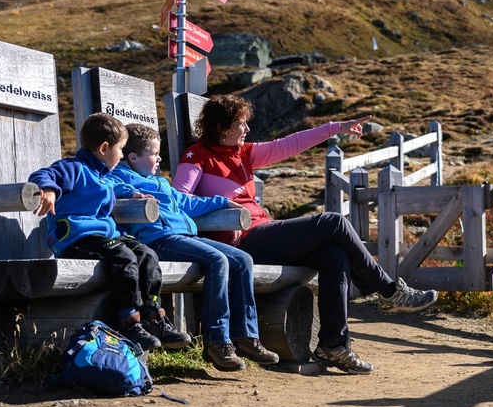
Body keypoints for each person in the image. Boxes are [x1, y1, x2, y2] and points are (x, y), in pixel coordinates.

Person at [172, 94, 438, 375]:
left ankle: (333, 345)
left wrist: (334, 127)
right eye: (242, 124)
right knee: (334, 223)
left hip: (262, 233)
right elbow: (179, 200)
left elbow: (290, 144)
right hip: (242, 243)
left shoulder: (243, 152)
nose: (247, 129)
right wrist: (220, 203)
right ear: (223, 128)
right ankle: (388, 290)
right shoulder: (197, 155)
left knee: (334, 255)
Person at [109, 123, 279, 371]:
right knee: (217, 260)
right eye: (154, 154)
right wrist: (133, 195)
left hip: (185, 236)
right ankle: (217, 341)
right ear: (133, 157)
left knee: (242, 260)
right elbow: (111, 187)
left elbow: (187, 202)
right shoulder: (120, 177)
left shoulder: (161, 183)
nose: (159, 158)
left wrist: (224, 202)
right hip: (161, 241)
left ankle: (246, 335)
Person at [28, 112, 191, 352]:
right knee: (124, 257)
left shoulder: (103, 176)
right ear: (104, 148)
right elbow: (44, 175)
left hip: (105, 238)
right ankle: (128, 321)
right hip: (76, 239)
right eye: (121, 149)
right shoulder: (74, 168)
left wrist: (131, 194)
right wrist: (49, 191)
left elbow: (117, 186)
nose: (123, 155)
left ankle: (152, 317)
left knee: (146, 254)